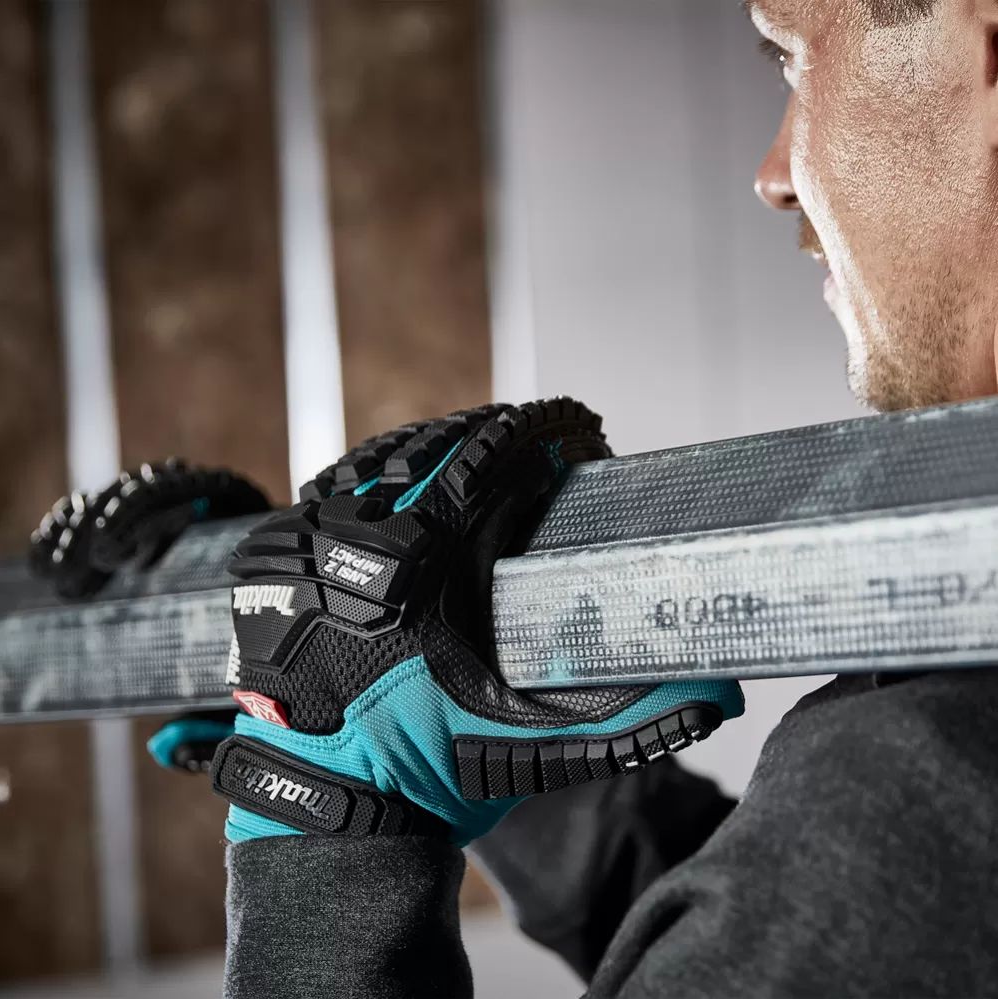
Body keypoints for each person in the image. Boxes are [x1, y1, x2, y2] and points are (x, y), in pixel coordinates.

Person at [188, 0, 998, 995]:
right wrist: (445, 710)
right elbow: (807, 929)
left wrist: (319, 814)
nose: (773, 174)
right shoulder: (938, 791)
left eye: (794, 58)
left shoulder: (929, 778)